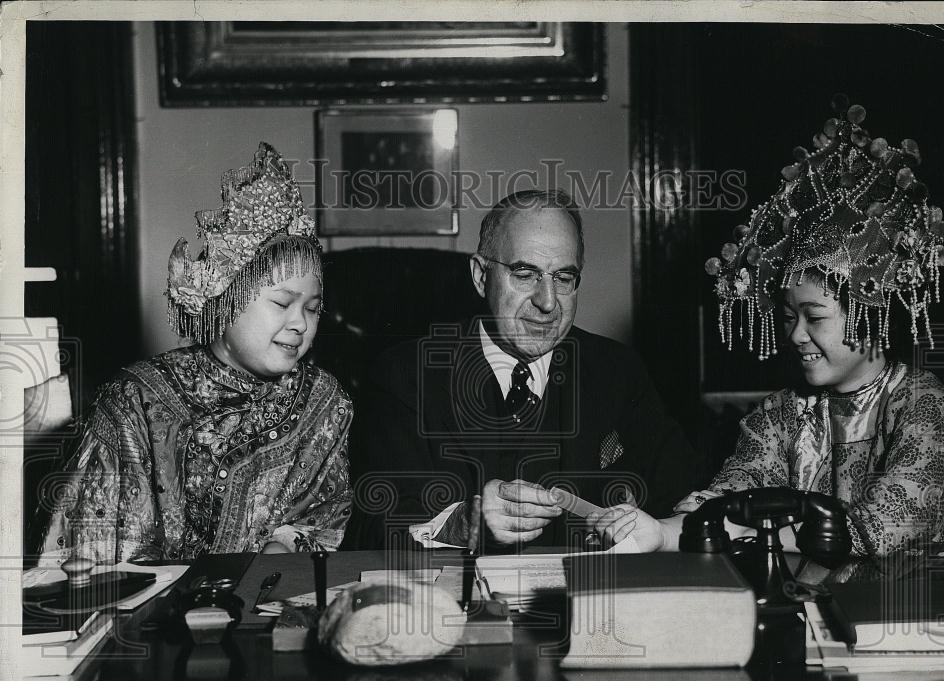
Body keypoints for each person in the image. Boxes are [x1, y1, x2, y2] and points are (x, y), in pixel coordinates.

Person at [588, 97, 944, 563]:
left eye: (814, 317)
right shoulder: (784, 413)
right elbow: (729, 498)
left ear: (872, 309)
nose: (795, 335)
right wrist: (660, 532)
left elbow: (877, 529)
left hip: (907, 619)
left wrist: (758, 534)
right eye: (789, 317)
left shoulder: (923, 405)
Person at [39, 143, 352, 563]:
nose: (300, 323)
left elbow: (324, 519)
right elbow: (93, 556)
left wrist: (285, 546)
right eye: (281, 303)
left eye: (312, 309)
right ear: (225, 299)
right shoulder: (134, 401)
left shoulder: (324, 402)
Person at [347, 189, 695, 550]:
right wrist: (460, 524)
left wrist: (660, 529)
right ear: (481, 276)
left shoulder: (618, 371)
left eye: (563, 278)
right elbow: (367, 530)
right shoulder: (405, 376)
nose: (547, 302)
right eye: (526, 273)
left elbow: (687, 500)